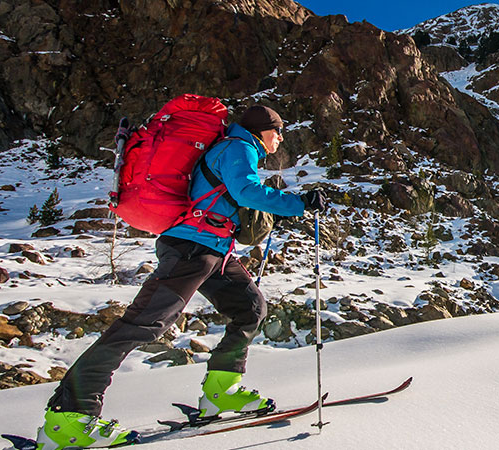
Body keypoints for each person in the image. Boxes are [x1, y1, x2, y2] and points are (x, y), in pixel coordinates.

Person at [35, 105, 327, 449]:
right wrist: (300, 203)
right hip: (191, 249)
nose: (280, 137)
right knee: (142, 324)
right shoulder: (239, 146)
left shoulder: (236, 147)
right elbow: (246, 191)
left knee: (250, 308)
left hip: (213, 252)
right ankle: (68, 418)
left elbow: (234, 199)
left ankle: (222, 391)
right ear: (263, 130)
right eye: (278, 130)